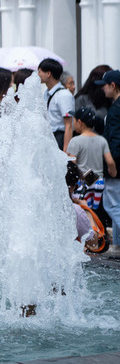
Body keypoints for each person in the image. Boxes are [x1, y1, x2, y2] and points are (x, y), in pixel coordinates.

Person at [67, 106, 116, 211]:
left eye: (74, 121)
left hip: (83, 183)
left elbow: (72, 165)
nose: (73, 124)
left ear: (79, 122)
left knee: (85, 211)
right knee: (96, 212)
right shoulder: (101, 140)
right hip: (99, 182)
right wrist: (113, 173)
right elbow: (110, 162)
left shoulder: (76, 141)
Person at [96, 69, 120, 253]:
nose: (103, 89)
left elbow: (115, 140)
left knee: (111, 204)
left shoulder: (115, 111)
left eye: (105, 85)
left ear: (113, 86)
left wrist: (111, 164)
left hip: (116, 166)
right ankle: (117, 245)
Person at [38, 58, 74, 150]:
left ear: (48, 74)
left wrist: (66, 150)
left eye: (40, 71)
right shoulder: (46, 93)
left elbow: (69, 125)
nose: (38, 75)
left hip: (59, 138)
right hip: (49, 137)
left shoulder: (64, 95)